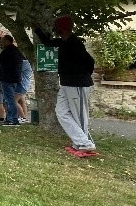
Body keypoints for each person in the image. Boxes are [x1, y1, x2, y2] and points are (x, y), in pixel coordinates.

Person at [35, 16, 97, 155]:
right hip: (66, 84)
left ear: (61, 28)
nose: (55, 30)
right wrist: (37, 29)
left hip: (78, 84)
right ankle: (80, 142)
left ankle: (85, 144)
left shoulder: (75, 43)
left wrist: (82, 76)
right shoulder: (63, 42)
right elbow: (48, 42)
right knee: (61, 112)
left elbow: (90, 61)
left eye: (56, 27)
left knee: (79, 116)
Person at [0, 35, 24, 125]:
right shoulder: (17, 51)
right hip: (15, 78)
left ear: (7, 41)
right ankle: (11, 118)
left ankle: (12, 119)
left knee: (9, 99)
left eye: (2, 42)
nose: (1, 44)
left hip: (7, 78)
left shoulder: (6, 52)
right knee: (10, 99)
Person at [16, 56, 34, 122]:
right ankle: (24, 117)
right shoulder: (28, 63)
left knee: (14, 101)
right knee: (22, 101)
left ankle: (23, 117)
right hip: (23, 84)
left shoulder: (25, 63)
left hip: (22, 84)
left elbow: (16, 70)